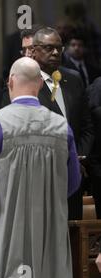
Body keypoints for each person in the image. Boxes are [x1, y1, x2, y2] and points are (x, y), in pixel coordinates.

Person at [0, 57, 81, 278]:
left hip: (6, 223)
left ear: (9, 81)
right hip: (50, 226)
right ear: (40, 84)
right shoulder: (62, 126)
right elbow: (72, 181)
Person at [31, 27, 93, 220]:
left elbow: (86, 126)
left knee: (74, 235)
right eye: (49, 48)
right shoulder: (26, 81)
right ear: (34, 51)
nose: (56, 52)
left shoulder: (73, 79)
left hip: (74, 175)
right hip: (42, 175)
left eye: (59, 48)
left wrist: (78, 156)